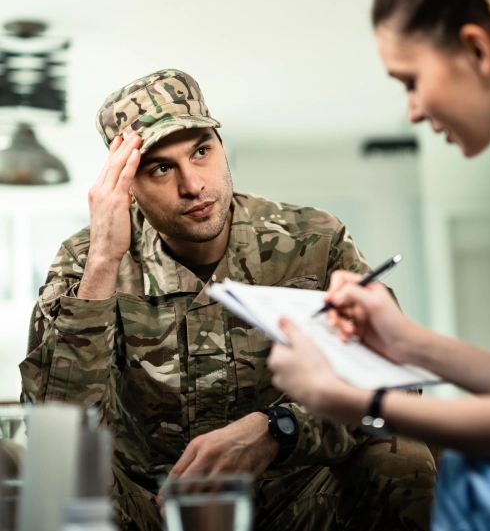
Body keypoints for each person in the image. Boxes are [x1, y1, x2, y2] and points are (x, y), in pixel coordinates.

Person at [19, 69, 435, 531]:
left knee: (402, 458)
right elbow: (57, 438)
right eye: (160, 167)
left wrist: (279, 429)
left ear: (220, 144)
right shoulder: (86, 260)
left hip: (295, 502)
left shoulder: (314, 242)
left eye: (201, 150)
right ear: (127, 188)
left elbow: (397, 383)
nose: (194, 184)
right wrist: (102, 263)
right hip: (148, 509)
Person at [267, 0, 490, 529]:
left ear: (477, 48)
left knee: (478, 478)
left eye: (411, 81)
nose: (414, 111)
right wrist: (406, 342)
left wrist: (340, 398)